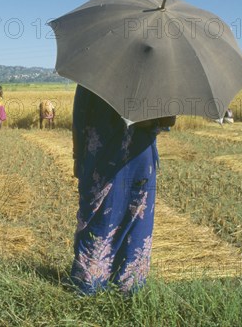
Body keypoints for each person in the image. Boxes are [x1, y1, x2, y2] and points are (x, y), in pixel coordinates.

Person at [71, 85, 176, 295]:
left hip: (103, 158)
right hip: (137, 157)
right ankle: (128, 285)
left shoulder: (95, 74)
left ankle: (89, 284)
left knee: (101, 218)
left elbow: (79, 118)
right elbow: (168, 120)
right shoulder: (156, 76)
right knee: (135, 219)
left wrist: (77, 156)